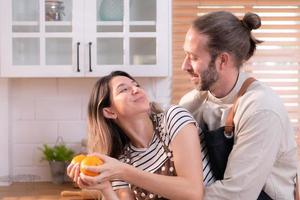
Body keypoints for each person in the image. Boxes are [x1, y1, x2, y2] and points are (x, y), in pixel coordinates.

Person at [179, 11, 298, 199]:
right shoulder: (191, 104)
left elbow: (238, 195)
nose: (184, 66)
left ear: (222, 61)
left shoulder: (261, 108)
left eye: (193, 57)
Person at [67, 71, 204, 200]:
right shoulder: (120, 160)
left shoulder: (173, 118)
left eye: (136, 85)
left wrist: (123, 171)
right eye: (123, 89)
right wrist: (105, 188)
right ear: (109, 112)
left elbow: (193, 192)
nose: (135, 89)